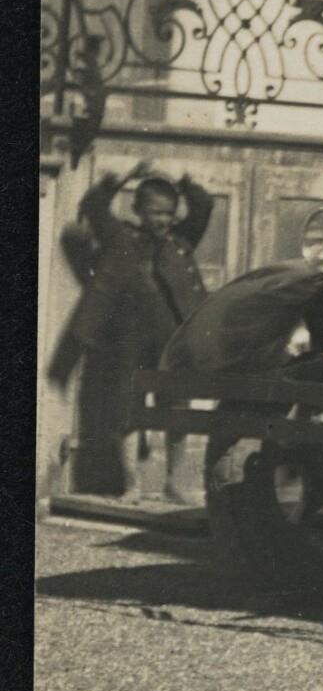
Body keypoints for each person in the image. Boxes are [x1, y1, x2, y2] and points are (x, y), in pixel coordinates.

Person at [48, 164, 215, 502]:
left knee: (177, 410)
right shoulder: (120, 238)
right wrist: (122, 178)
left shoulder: (181, 242)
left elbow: (205, 206)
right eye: (155, 213)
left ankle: (174, 483)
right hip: (129, 341)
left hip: (172, 340)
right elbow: (94, 205)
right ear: (138, 210)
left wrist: (182, 179)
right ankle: (132, 484)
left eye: (169, 213)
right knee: (127, 411)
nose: (163, 220)